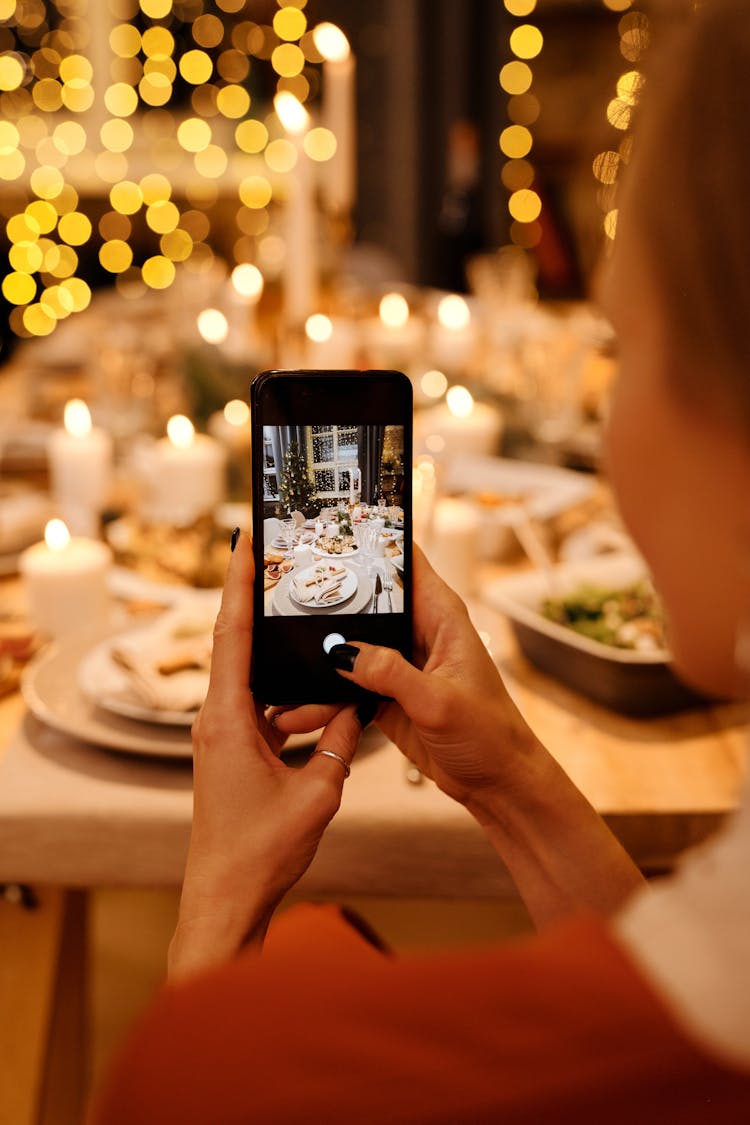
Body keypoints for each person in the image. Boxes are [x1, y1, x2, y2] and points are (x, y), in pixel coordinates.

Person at [89, 2, 750, 1120]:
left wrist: (215, 912)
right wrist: (514, 782)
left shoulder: (261, 1067)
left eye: (622, 347)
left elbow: (191, 1082)